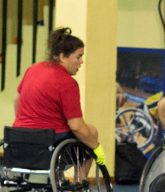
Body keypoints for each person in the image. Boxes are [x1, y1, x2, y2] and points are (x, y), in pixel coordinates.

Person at [13, 27, 105, 165]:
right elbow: (76, 126)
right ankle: (80, 183)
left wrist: (24, 123)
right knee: (91, 131)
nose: (81, 61)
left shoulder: (33, 69)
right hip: (50, 141)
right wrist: (96, 147)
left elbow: (17, 99)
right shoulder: (67, 82)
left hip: (20, 136)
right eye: (78, 56)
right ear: (62, 57)